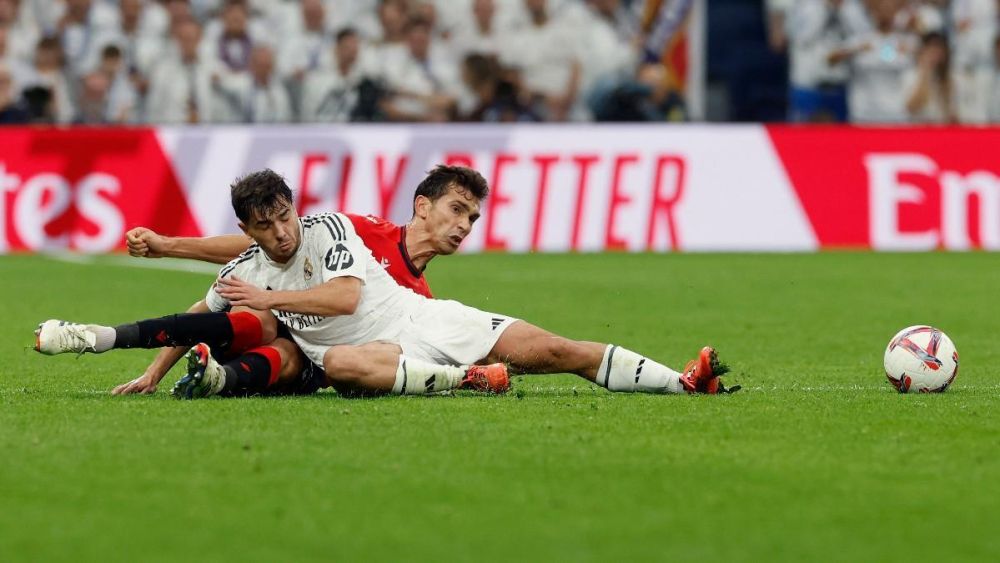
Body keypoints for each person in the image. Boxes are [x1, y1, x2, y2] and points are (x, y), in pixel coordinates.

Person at [35, 167, 734, 399]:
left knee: (552, 350)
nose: (466, 225)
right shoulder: (361, 228)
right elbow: (241, 268)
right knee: (320, 356)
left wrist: (266, 295)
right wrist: (170, 248)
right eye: (457, 209)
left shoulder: (414, 281)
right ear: (422, 206)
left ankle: (683, 381)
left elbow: (330, 286)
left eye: (473, 216)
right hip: (335, 350)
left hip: (416, 327)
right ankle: (466, 382)